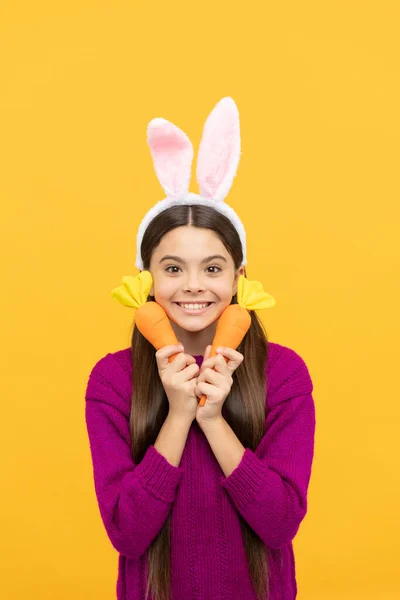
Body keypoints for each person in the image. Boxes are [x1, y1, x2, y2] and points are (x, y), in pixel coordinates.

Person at [84, 98, 316, 600]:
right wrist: (178, 414)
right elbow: (126, 532)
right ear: (146, 279)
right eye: (173, 268)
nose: (193, 286)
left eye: (212, 268)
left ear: (239, 278)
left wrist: (212, 419)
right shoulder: (112, 380)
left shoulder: (284, 373)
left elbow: (279, 525)